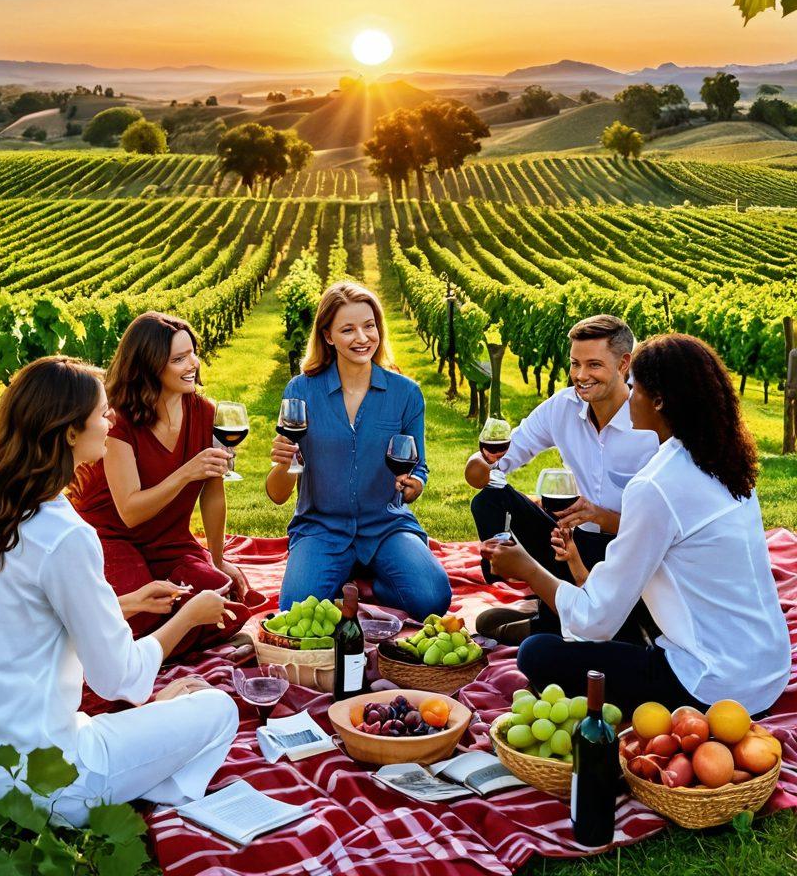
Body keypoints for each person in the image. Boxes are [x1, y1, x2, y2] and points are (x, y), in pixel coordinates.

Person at [0, 357, 239, 827]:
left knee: (137, 719)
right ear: (68, 433)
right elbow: (115, 678)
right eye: (103, 414)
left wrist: (124, 603)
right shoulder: (67, 534)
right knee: (219, 709)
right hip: (45, 783)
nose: (111, 423)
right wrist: (188, 617)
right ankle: (153, 788)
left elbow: (31, 619)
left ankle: (143, 756)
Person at [481, 334, 791, 716]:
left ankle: (539, 628)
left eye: (636, 387)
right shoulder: (726, 462)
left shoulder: (655, 484)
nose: (630, 396)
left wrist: (526, 568)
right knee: (610, 607)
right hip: (768, 672)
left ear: (659, 400)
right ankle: (552, 622)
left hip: (714, 688)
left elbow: (595, 622)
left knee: (538, 654)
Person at [70, 312, 257, 655]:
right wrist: (187, 471)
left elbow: (213, 494)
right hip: (114, 538)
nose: (193, 364)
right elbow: (130, 512)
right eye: (179, 359)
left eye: (192, 353)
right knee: (139, 610)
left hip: (169, 540)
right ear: (150, 366)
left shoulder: (206, 412)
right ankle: (153, 648)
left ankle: (155, 646)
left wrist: (216, 558)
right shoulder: (119, 421)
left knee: (219, 592)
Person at [466, 314, 659, 644]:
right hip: (574, 546)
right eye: (575, 364)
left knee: (545, 643)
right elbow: (491, 469)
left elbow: (659, 531)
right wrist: (482, 459)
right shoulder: (563, 407)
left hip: (630, 555)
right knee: (490, 499)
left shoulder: (650, 424)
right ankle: (551, 606)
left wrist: (599, 516)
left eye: (594, 365)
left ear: (623, 363)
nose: (581, 376)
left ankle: (550, 620)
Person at [266, 281, 451, 621]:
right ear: (328, 336)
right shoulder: (301, 391)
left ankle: (364, 585)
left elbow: (418, 467)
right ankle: (340, 575)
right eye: (348, 329)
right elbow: (278, 495)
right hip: (321, 527)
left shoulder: (405, 393)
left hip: (386, 525)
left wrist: (415, 485)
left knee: (433, 598)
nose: (362, 338)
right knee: (293, 611)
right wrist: (281, 464)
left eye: (369, 326)